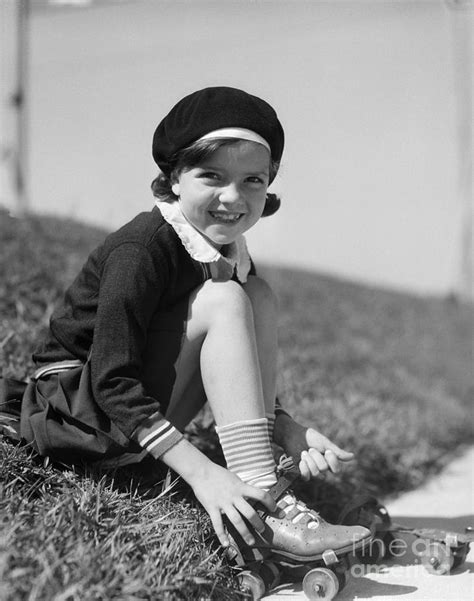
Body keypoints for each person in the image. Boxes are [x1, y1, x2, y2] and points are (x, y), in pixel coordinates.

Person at [1, 87, 370, 559]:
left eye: (252, 180)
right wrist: (202, 474)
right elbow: (111, 380)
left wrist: (286, 428)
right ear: (174, 177)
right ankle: (263, 503)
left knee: (253, 294)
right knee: (225, 300)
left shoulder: (229, 252)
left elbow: (234, 358)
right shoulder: (141, 249)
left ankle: (258, 474)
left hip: (129, 418)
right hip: (80, 420)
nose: (232, 198)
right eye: (210, 176)